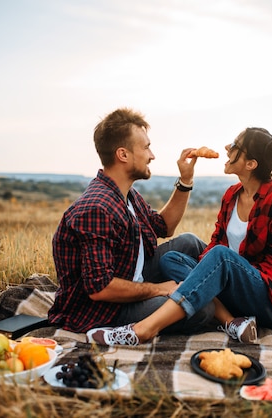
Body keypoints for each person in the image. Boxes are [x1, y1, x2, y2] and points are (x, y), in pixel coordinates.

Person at [87, 127, 272, 346]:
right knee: (172, 259)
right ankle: (231, 322)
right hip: (236, 289)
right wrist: (208, 275)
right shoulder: (232, 195)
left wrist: (227, 276)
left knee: (221, 257)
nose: (227, 147)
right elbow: (216, 240)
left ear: (251, 164)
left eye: (235, 145)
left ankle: (144, 329)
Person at [48, 107, 215, 335]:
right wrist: (158, 289)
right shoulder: (97, 208)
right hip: (104, 310)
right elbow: (100, 289)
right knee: (202, 309)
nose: (152, 155)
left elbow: (164, 227)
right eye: (146, 147)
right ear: (123, 155)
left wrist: (185, 180)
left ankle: (228, 293)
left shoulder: (127, 194)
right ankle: (223, 306)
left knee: (189, 242)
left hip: (130, 275)